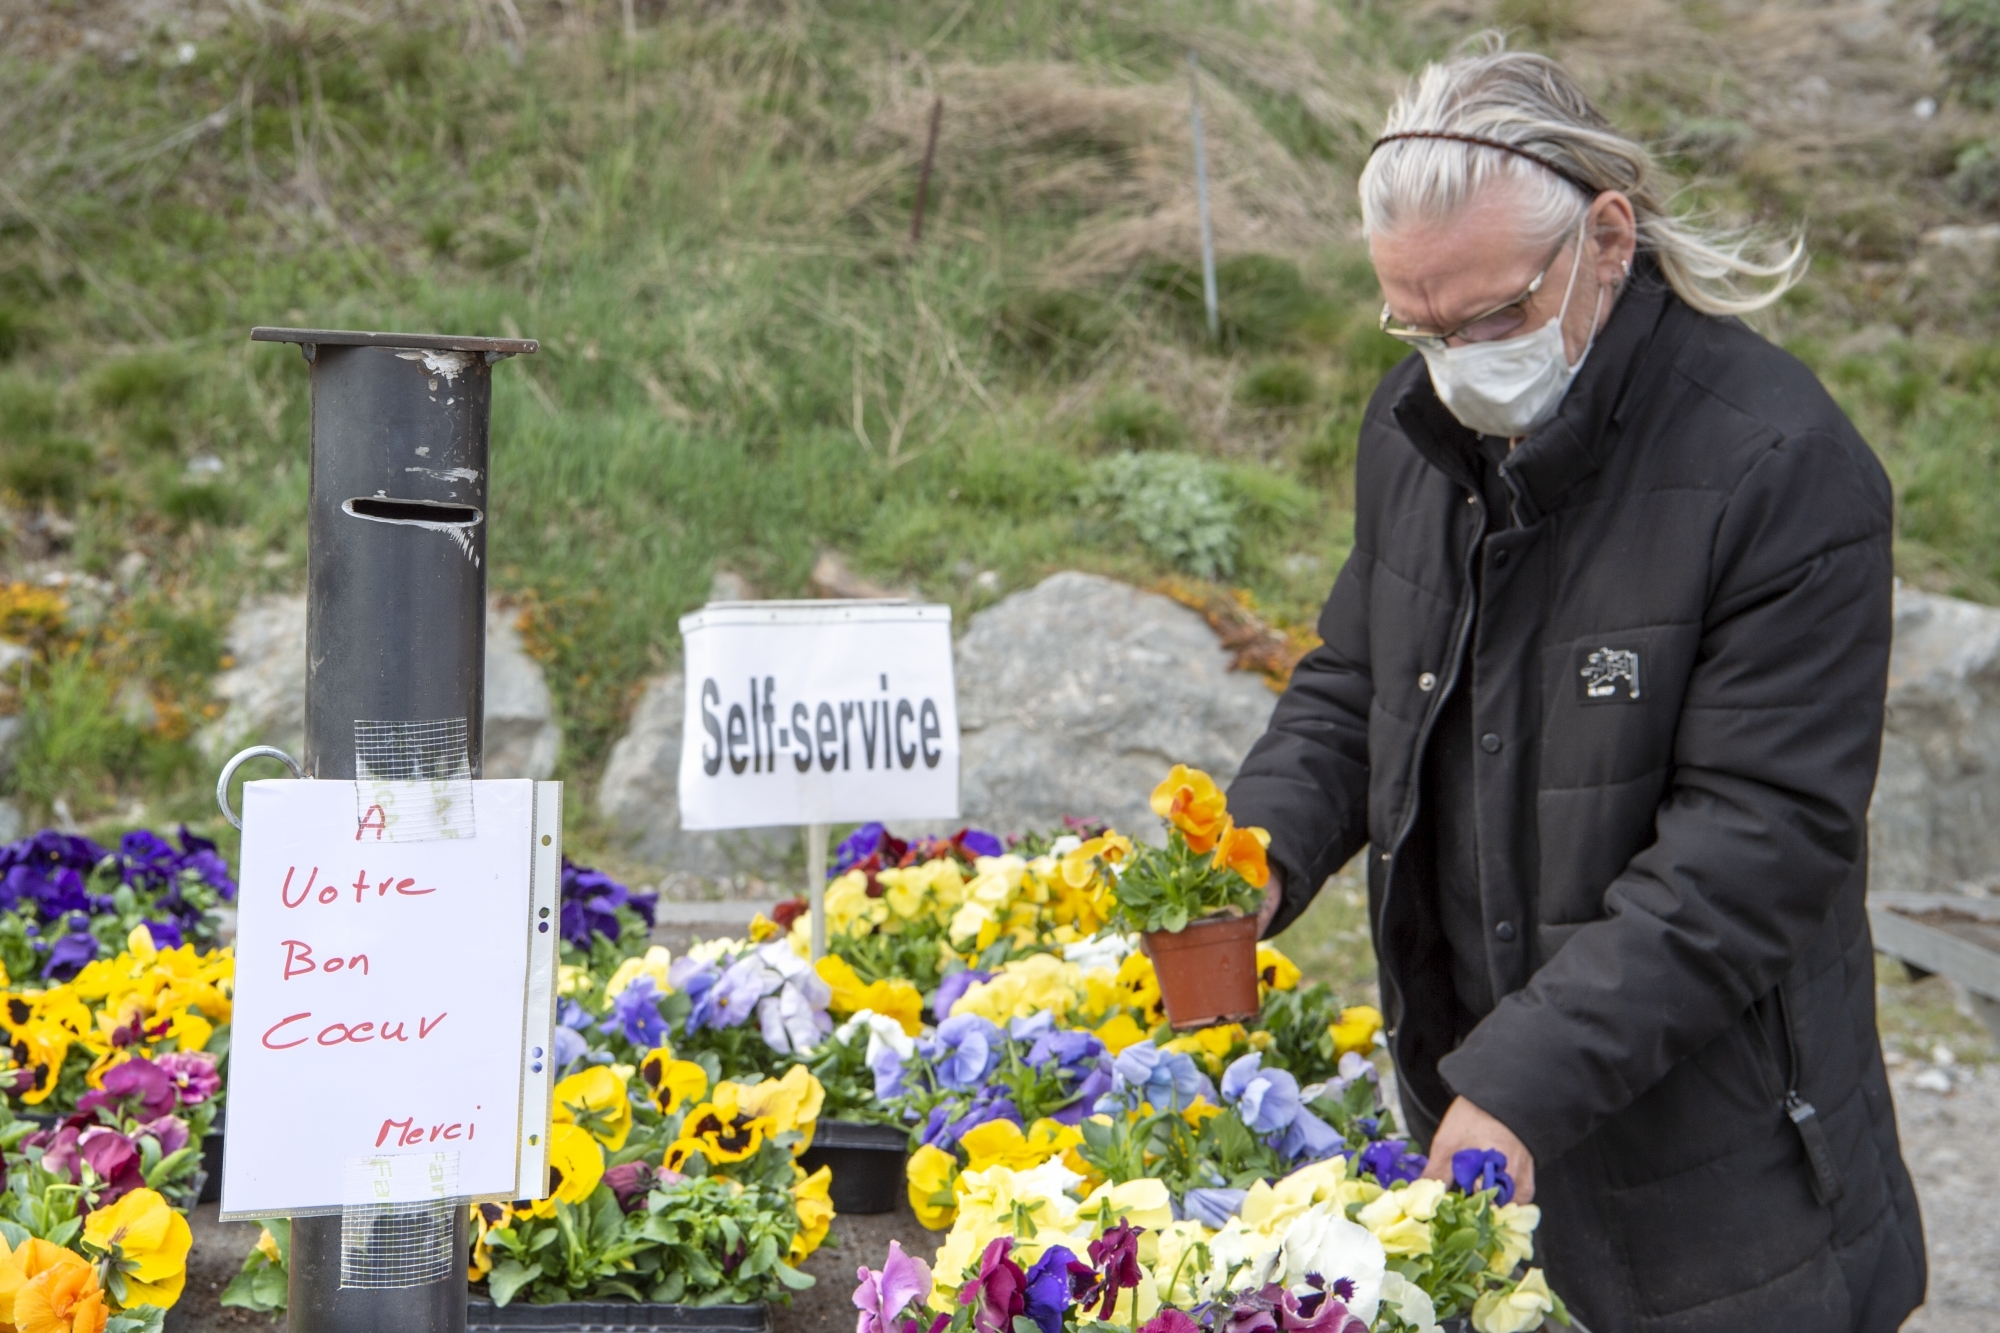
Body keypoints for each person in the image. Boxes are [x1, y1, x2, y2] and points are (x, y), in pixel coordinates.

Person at [1224, 37, 1926, 1333]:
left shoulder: (1781, 467)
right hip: (1487, 1126)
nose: (1457, 360)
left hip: (1727, 1186)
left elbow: (1753, 847)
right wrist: (1249, 857)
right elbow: (1357, 674)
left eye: (1491, 315)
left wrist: (1520, 1077)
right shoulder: (1414, 428)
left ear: (1608, 235)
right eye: (1416, 323)